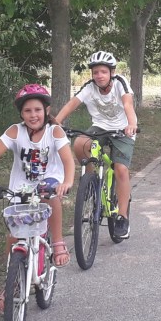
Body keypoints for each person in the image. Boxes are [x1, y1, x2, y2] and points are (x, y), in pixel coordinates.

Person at [0, 84, 76, 309]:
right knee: (14, 234)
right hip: (21, 186)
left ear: (46, 110)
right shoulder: (15, 131)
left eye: (38, 110)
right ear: (21, 114)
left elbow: (68, 160)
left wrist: (67, 181)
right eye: (28, 111)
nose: (33, 115)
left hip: (49, 180)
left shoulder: (54, 132)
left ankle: (58, 242)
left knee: (50, 195)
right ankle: (10, 282)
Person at [53, 50, 138, 240]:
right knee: (80, 144)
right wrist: (55, 124)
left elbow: (128, 105)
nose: (99, 76)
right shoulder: (89, 87)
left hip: (123, 129)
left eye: (103, 72)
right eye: (95, 72)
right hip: (100, 126)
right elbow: (71, 105)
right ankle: (91, 184)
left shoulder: (120, 84)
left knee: (121, 169)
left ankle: (122, 217)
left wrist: (132, 125)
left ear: (111, 73)